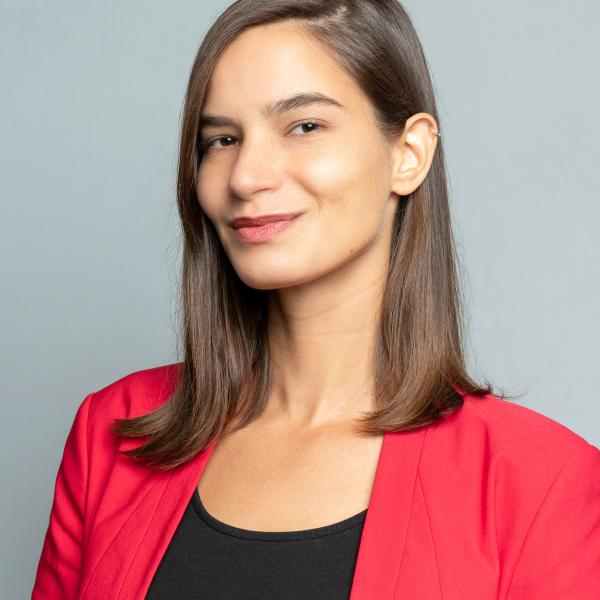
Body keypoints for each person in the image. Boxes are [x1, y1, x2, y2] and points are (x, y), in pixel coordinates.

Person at [32, 1, 600, 598]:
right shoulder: (112, 435)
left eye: (304, 126)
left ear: (409, 154)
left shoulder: (545, 484)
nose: (246, 176)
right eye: (222, 139)